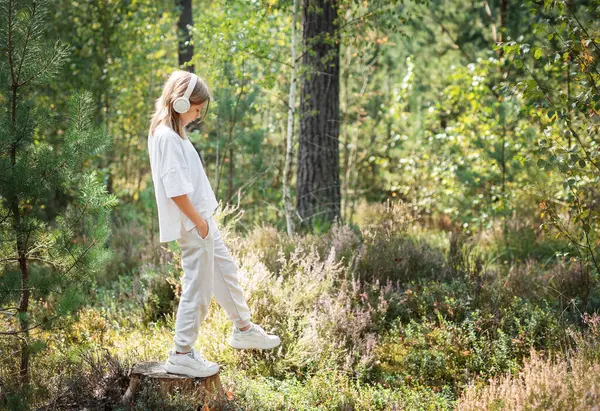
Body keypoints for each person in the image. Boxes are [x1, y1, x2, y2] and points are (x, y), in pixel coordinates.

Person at [147, 70, 280, 378]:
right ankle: (182, 353)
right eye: (195, 108)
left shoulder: (174, 131)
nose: (197, 115)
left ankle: (243, 328)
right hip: (194, 224)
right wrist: (200, 224)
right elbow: (176, 190)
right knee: (199, 288)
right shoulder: (167, 136)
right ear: (179, 102)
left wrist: (205, 223)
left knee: (224, 272)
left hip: (202, 221)